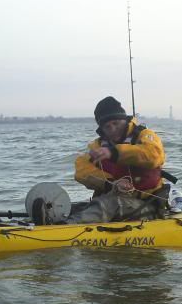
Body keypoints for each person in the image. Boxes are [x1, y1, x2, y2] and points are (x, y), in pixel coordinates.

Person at [65, 96, 167, 224]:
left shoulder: (145, 136)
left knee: (109, 204)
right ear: (102, 129)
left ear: (125, 120)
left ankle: (64, 229)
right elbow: (81, 170)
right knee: (74, 208)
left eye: (116, 123)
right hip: (111, 200)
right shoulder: (97, 146)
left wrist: (114, 153)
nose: (113, 129)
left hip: (146, 206)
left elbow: (154, 155)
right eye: (107, 127)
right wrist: (112, 183)